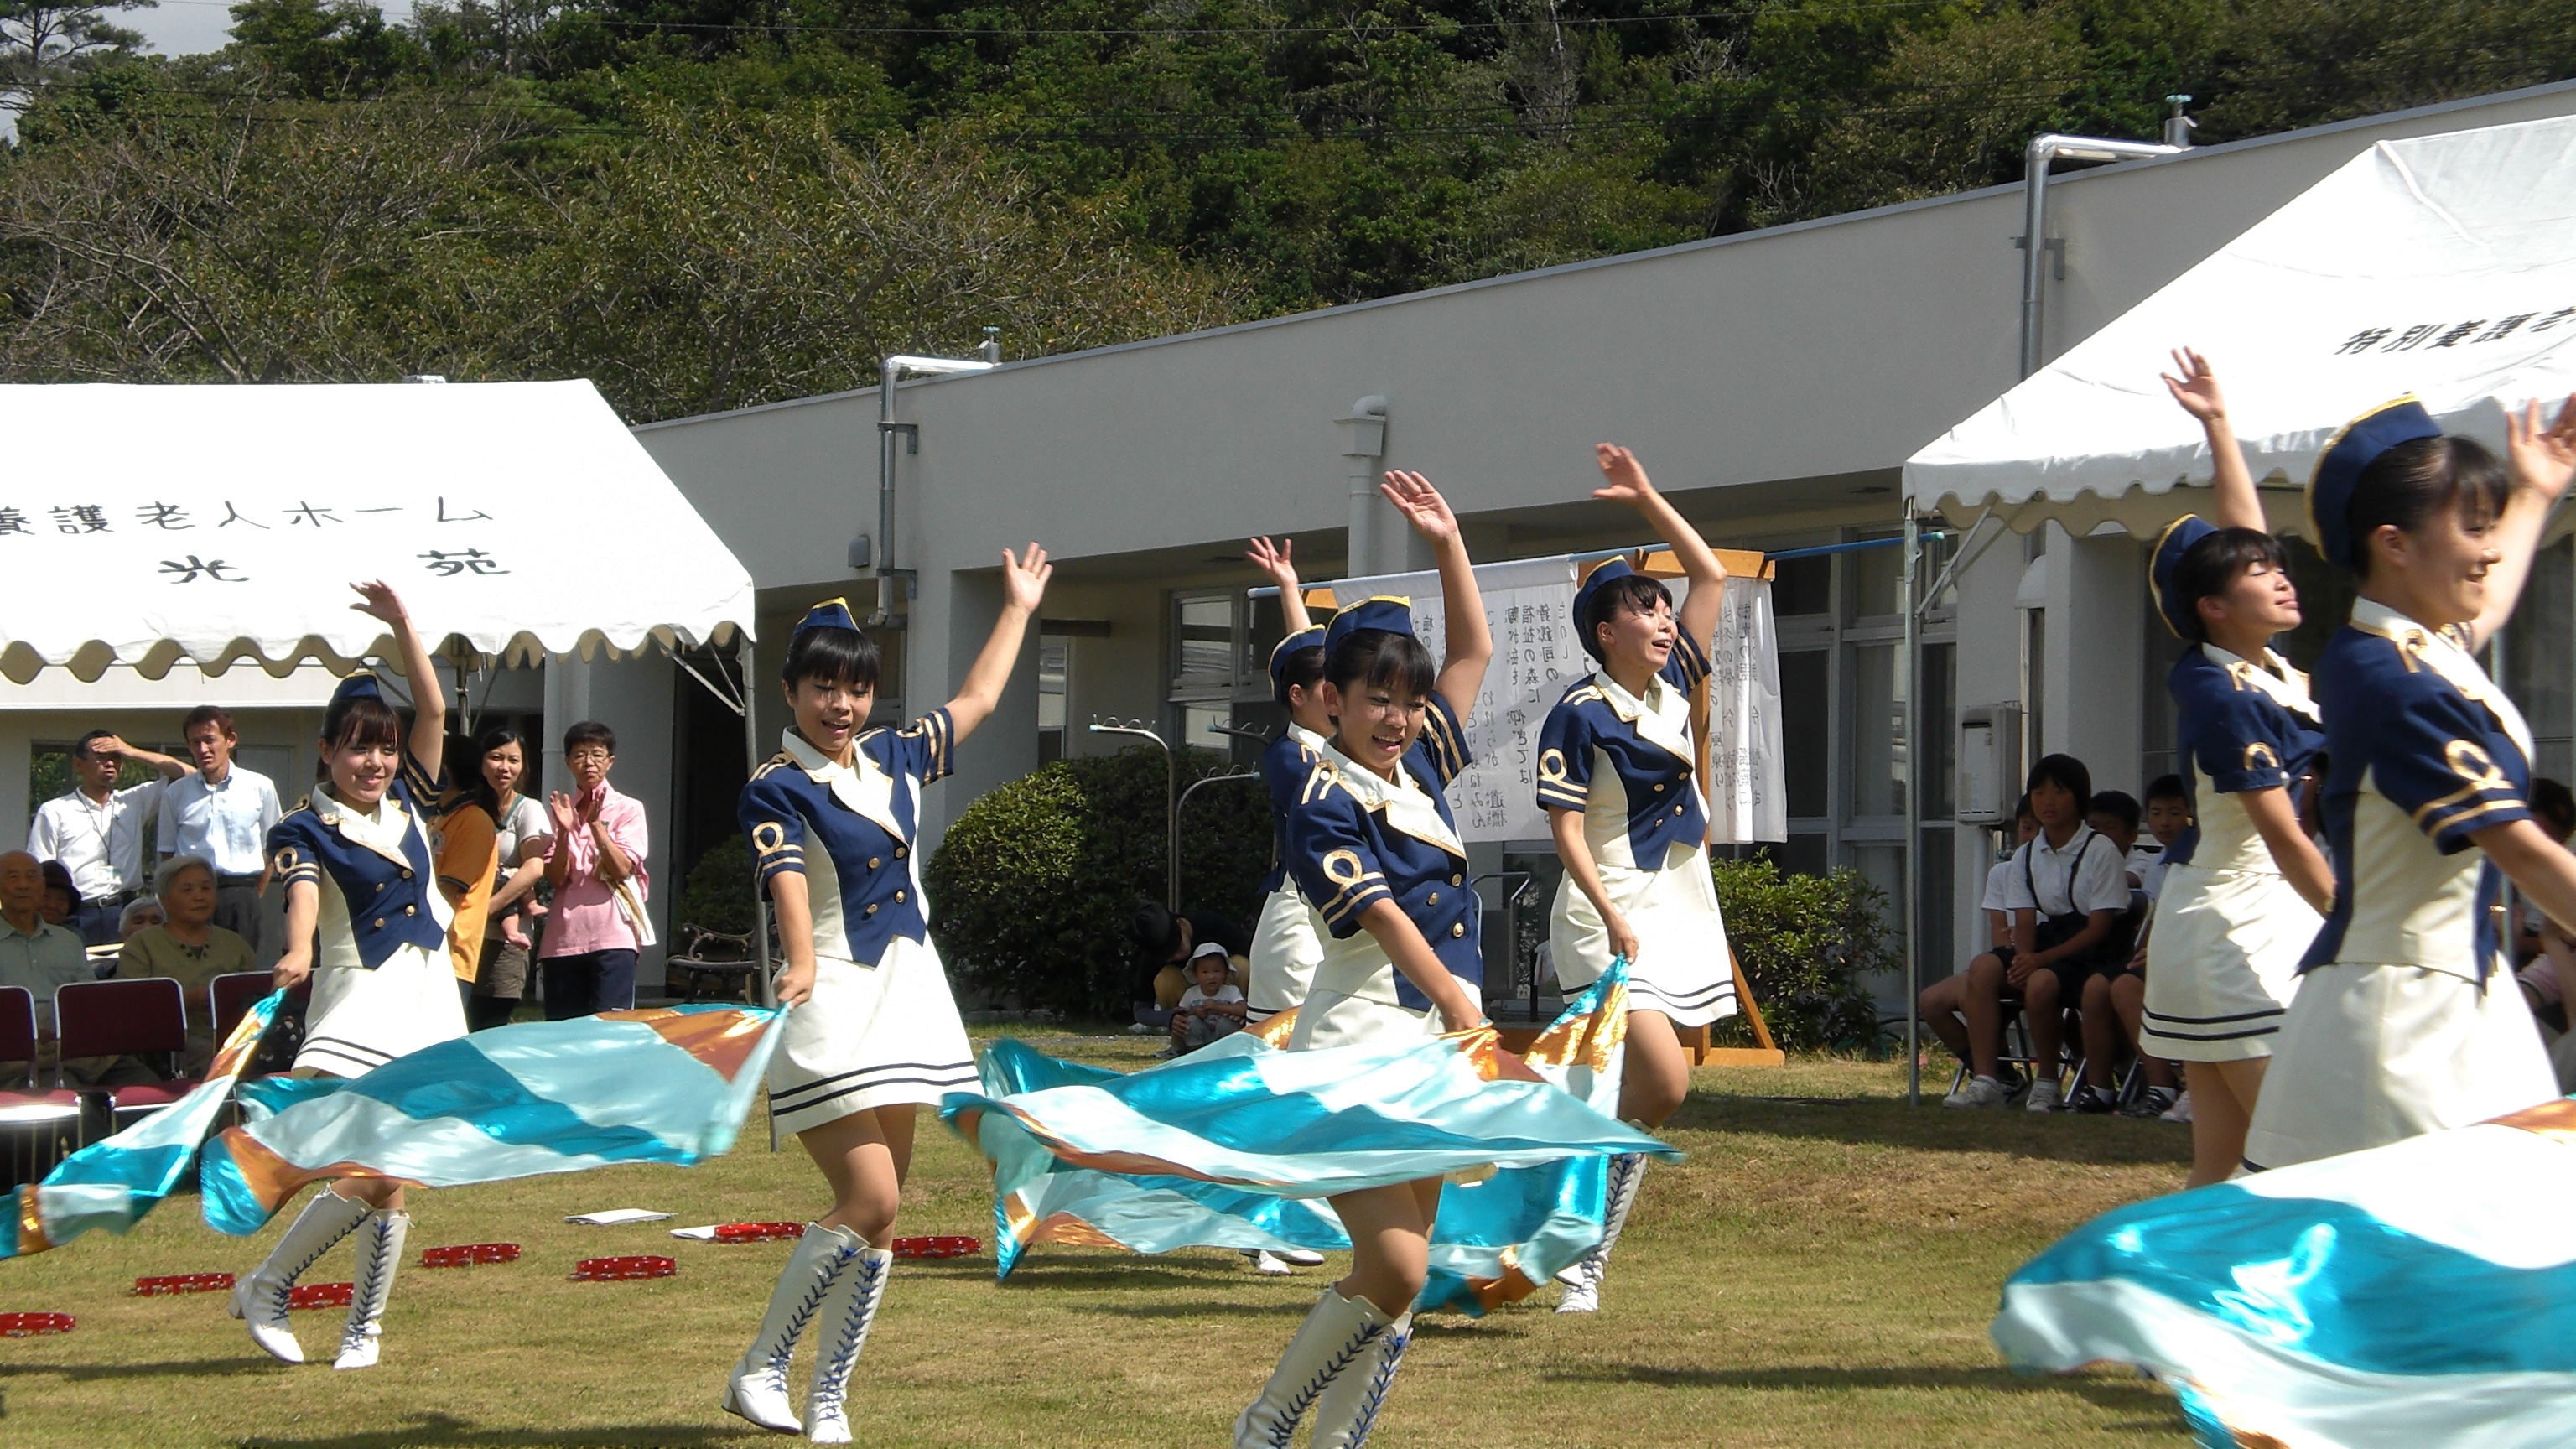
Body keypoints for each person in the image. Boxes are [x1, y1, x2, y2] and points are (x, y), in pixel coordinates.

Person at [722, 548, 1050, 1445]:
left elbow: (978, 701)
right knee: (867, 1200)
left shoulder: (894, 757)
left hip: (906, 999)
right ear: (790, 691)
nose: (841, 705)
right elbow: (786, 878)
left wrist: (1017, 608)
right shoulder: (775, 786)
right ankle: (761, 1366)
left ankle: (829, 1396)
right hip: (828, 999)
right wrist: (798, 962)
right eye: (824, 688)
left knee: (884, 1217)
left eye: (857, 689)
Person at [2242, 392, 2576, 1171]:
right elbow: (2522, 852)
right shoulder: (2398, 682)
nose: (2491, 551)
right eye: (2474, 528)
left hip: (2449, 1001)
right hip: (2406, 1025)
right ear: (2394, 544)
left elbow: (2487, 602)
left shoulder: (2406, 649)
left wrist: (2536, 491)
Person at [1234, 470, 1493, 1449]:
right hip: (1359, 1046)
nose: (1398, 718)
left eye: (1410, 702)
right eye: (1377, 699)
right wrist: (1462, 1008)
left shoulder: (1418, 768)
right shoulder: (1320, 796)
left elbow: (1473, 651)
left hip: (1429, 1047)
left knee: (1401, 1279)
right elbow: (1381, 917)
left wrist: (1448, 543)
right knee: (1396, 1267)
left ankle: (1329, 1440)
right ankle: (1265, 1424)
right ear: (1330, 701)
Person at [227, 581, 462, 1372]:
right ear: (327, 751)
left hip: (426, 1001)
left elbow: (434, 712)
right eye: (360, 748)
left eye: (385, 748)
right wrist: (297, 950)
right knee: (373, 1170)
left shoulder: (408, 803)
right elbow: (300, 892)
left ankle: (364, 1330)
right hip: (360, 1001)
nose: (376, 762)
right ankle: (269, 1284)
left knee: (395, 1178)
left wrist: (403, 626)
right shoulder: (302, 827)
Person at [1534, 443, 1732, 1314]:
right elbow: (1563, 829)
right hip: (1606, 912)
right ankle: (1575, 1238)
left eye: (1662, 607)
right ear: (1603, 634)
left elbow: (1710, 574)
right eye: (1642, 610)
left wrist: (1648, 494)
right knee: (1662, 1083)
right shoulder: (1579, 712)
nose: (1663, 619)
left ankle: (1579, 1240)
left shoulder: (1674, 685)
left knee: (1643, 1100)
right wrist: (1612, 915)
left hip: (1677, 906)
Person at [1946, 756, 2128, 1113]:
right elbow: (2025, 920)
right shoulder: (2026, 855)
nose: (2047, 802)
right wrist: (2022, 960)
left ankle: (2047, 1083)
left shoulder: (2101, 850)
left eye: (2058, 792)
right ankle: (1988, 1079)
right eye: (2038, 792)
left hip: (2092, 948)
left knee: (2041, 982)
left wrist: (2038, 961)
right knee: (1984, 967)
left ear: (2079, 797)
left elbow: (2100, 927)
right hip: (2047, 939)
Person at [1243, 533, 1333, 1030]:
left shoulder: (1333, 744)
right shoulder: (1289, 758)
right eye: (1331, 690)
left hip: (1332, 923)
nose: (1343, 699)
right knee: (1291, 1058)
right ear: (1297, 696)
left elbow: (1306, 655)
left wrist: (1288, 587)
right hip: (1299, 928)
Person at [1927, 794, 2040, 1104]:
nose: (2032, 837)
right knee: (1932, 1001)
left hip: (2044, 962)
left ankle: (1993, 1077)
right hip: (2008, 963)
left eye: (2040, 830)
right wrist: (2013, 957)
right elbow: (2000, 933)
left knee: (1977, 991)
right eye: (2027, 828)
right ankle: (2000, 1076)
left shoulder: (2059, 871)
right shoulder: (2003, 873)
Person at [28, 730, 187, 946]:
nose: (110, 763)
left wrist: (130, 751)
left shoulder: (132, 802)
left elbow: (186, 775)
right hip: (77, 913)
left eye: (116, 757)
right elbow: (41, 870)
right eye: (101, 757)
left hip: (126, 911)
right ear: (78, 764)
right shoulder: (55, 810)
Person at [538, 721, 649, 1019]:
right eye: (579, 755)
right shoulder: (562, 810)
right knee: (564, 1032)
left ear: (610, 761)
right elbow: (556, 878)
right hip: (563, 939)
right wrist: (564, 832)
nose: (588, 763)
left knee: (611, 1028)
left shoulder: (628, 808)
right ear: (567, 762)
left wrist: (597, 827)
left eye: (597, 755)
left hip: (613, 936)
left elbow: (622, 868)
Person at [158, 705, 285, 953]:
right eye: (196, 743)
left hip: (241, 893)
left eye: (210, 740)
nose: (203, 749)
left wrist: (253, 893)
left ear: (230, 740)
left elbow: (273, 846)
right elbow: (167, 853)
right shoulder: (176, 793)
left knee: (240, 964)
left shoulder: (260, 787)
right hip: (191, 893)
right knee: (191, 963)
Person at [115, 854, 255, 1077]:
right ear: (165, 900)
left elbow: (256, 995)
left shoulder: (234, 943)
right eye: (187, 890)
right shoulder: (142, 944)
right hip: (167, 1043)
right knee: (215, 1055)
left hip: (234, 1034)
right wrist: (184, 1001)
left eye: (206, 888)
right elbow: (128, 1006)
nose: (199, 896)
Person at [465, 726, 552, 1031]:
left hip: (503, 936)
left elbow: (534, 867)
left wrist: (488, 907)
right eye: (496, 757)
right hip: (463, 933)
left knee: (491, 1024)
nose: (504, 767)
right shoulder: (467, 808)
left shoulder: (528, 809)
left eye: (513, 760)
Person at [0, 850, 89, 1056]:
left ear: (41, 886)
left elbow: (89, 999)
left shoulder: (69, 941)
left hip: (71, 1045)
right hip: (9, 1049)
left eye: (31, 878)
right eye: (13, 877)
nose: (23, 885)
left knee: (135, 1071)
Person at [1169, 942, 1248, 1054]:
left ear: (1226, 972)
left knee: (1227, 1024)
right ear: (1196, 974)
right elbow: (1180, 1015)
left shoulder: (1231, 991)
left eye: (1216, 971)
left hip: (1224, 1038)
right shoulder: (1191, 993)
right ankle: (1196, 1052)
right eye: (1205, 972)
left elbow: (1243, 1009)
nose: (1211, 976)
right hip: (1202, 1037)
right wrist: (1194, 1012)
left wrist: (1217, 1007)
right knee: (1191, 1022)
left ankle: (1225, 1052)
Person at [2138, 774, 2192, 901]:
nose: (2164, 822)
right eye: (2156, 813)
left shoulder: (2203, 861)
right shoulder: (2156, 865)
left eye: (2174, 813)